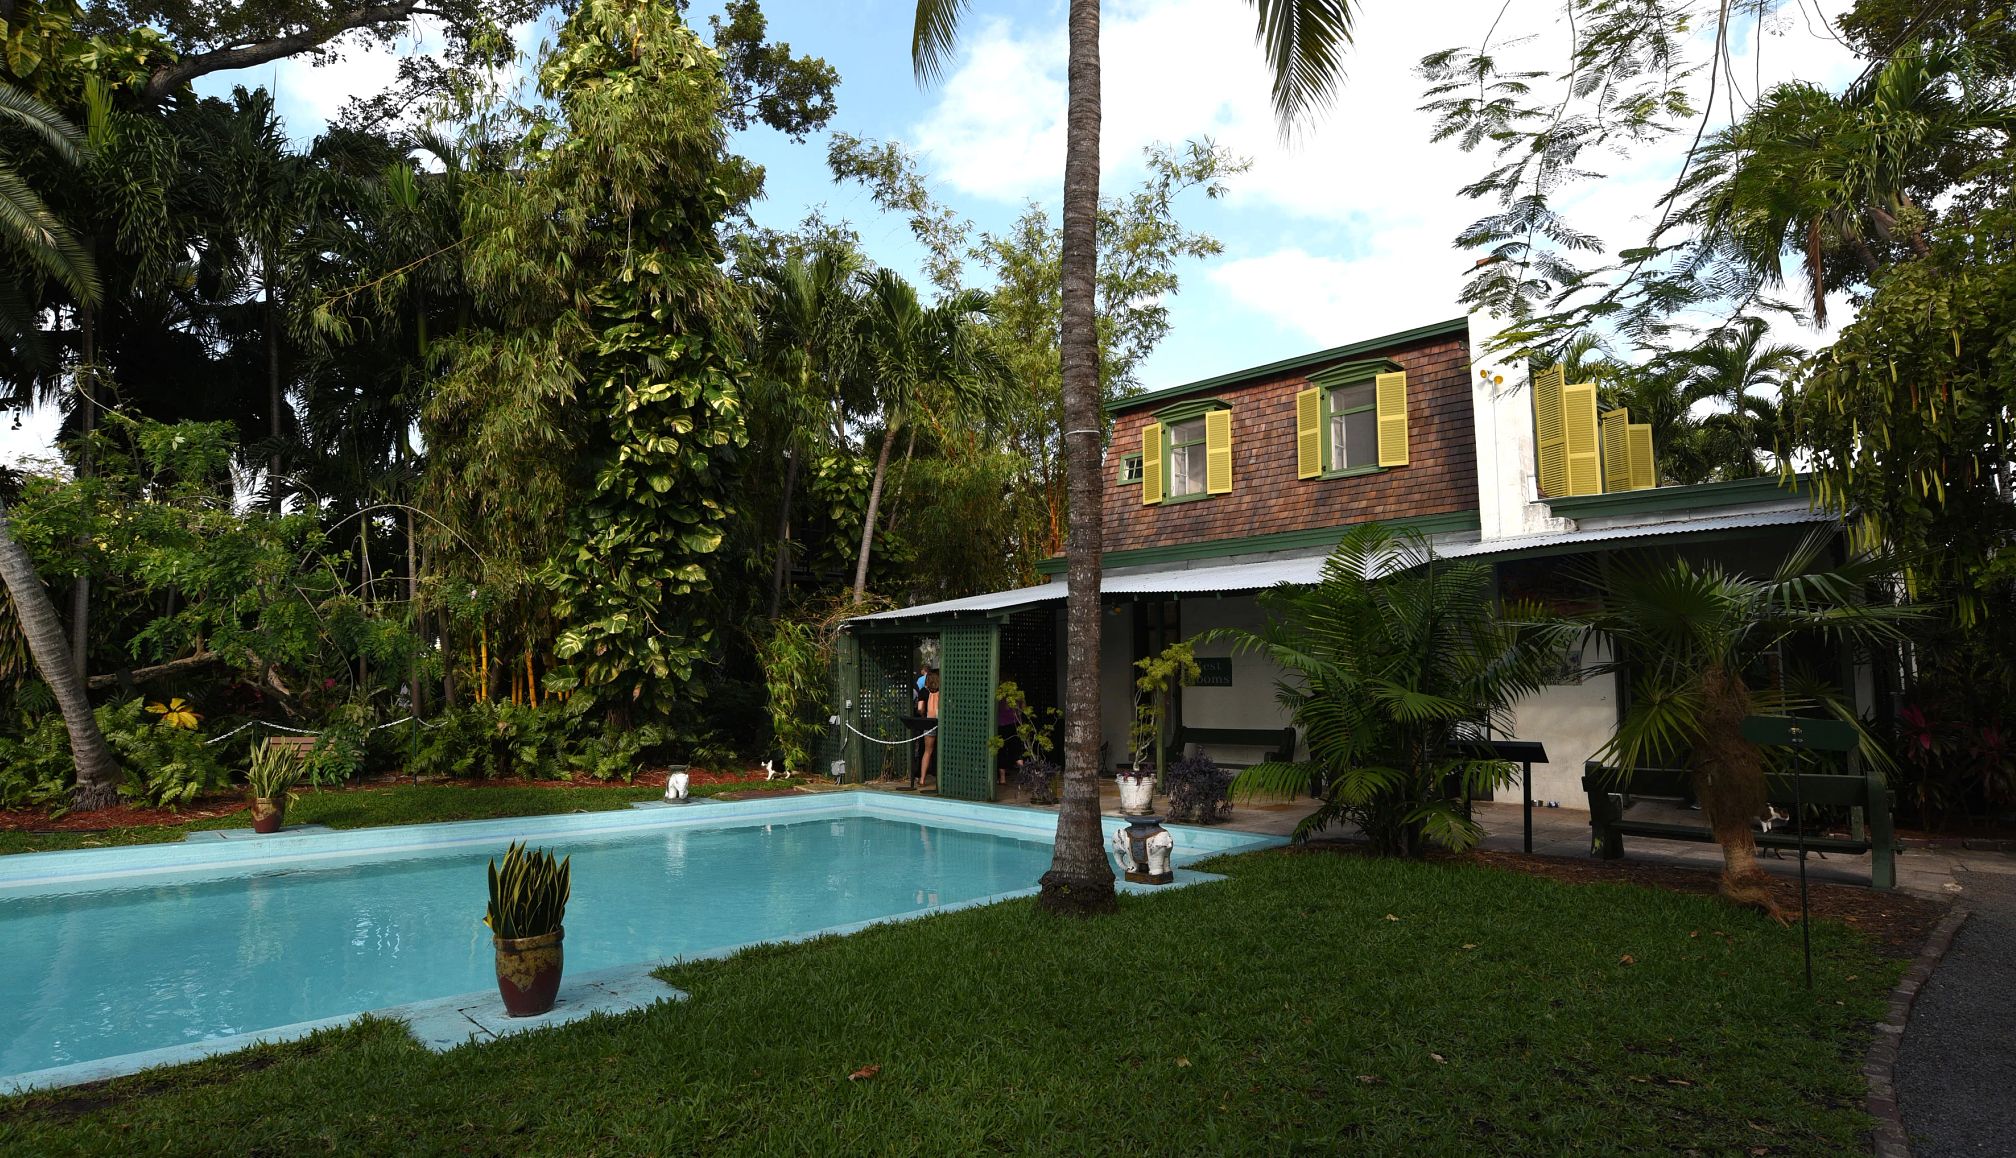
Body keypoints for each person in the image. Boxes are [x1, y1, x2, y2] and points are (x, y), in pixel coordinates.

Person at [917, 669, 941, 792]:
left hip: (928, 723)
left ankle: (922, 779)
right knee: (942, 752)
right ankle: (941, 779)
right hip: (942, 723)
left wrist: (922, 715)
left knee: (927, 751)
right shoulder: (943, 690)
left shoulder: (923, 692)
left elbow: (920, 708)